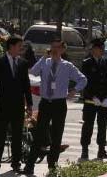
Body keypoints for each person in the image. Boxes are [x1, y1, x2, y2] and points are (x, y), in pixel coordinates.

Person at [23, 36, 87, 175]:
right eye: (53, 47)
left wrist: (74, 90)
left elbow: (83, 79)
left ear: (63, 49)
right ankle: (29, 165)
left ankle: (52, 167)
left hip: (59, 103)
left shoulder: (67, 66)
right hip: (46, 102)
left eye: (58, 47)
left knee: (57, 135)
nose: (55, 50)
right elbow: (32, 72)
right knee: (39, 134)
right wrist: (43, 57)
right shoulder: (44, 62)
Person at [0, 35, 32, 175]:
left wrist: (29, 103)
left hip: (18, 105)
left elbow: (26, 84)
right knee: (0, 135)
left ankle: (16, 163)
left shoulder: (23, 63)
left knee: (17, 136)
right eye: (20, 46)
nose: (21, 48)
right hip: (2, 104)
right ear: (12, 46)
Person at [79, 38, 107, 162]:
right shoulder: (87, 63)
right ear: (93, 50)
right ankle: (85, 149)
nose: (101, 51)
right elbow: (85, 82)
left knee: (103, 125)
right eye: (99, 49)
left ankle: (101, 149)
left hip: (103, 101)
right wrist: (92, 96)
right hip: (91, 100)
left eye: (102, 49)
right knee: (88, 125)